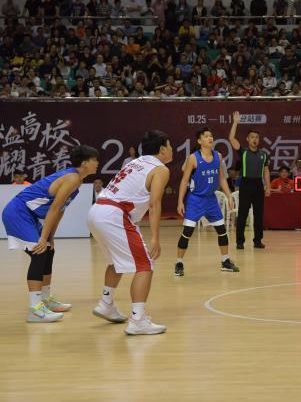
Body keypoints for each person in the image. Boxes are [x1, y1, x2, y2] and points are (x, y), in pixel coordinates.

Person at [2, 145, 99, 323]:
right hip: (18, 212)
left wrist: (50, 237)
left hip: (28, 215)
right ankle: (35, 310)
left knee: (48, 251)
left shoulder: (76, 181)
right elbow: (53, 209)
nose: (97, 163)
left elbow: (60, 210)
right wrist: (42, 238)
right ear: (84, 163)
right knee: (39, 254)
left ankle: (46, 300)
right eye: (94, 160)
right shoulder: (72, 178)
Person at [88, 131, 171, 335]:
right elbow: (154, 204)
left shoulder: (135, 162)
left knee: (115, 261)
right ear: (162, 149)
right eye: (169, 145)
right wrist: (155, 238)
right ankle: (138, 320)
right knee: (145, 265)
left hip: (97, 210)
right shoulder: (160, 169)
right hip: (115, 214)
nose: (172, 149)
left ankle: (106, 303)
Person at [174, 127, 237, 277]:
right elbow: (184, 181)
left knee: (222, 231)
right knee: (187, 232)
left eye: (211, 136)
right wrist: (180, 202)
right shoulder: (193, 158)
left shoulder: (218, 156)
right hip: (195, 200)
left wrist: (229, 195)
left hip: (211, 200)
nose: (210, 138)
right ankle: (179, 263)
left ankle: (225, 261)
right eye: (206, 136)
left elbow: (222, 178)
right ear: (199, 140)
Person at [229, 112, 271, 249]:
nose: (255, 139)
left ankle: (257, 241)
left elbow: (266, 171)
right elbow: (231, 138)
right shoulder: (243, 151)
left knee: (259, 215)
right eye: (252, 137)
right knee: (242, 214)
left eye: (257, 137)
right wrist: (235, 122)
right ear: (247, 139)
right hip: (246, 184)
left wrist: (268, 186)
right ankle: (240, 242)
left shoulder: (264, 154)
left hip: (258, 185)